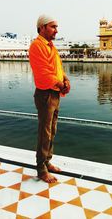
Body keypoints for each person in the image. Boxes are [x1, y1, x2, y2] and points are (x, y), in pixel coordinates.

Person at [29, 15, 70, 183]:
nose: (56, 30)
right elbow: (44, 72)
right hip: (45, 94)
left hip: (54, 93)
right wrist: (61, 85)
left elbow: (57, 68)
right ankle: (41, 169)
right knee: (44, 132)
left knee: (52, 130)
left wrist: (66, 80)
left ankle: (47, 161)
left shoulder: (51, 47)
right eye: (53, 27)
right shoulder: (37, 46)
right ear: (42, 27)